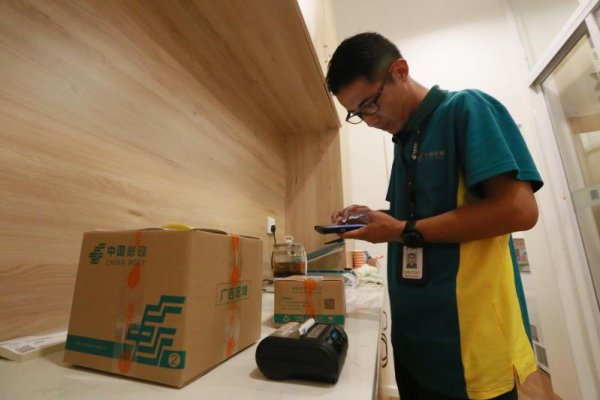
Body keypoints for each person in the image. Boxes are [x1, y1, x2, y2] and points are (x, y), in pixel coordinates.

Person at [325, 32, 543, 400]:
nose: (370, 120)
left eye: (370, 104)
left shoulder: (467, 109)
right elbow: (424, 216)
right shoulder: (404, 139)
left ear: (400, 71)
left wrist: (401, 229)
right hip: (415, 343)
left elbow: (519, 210)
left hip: (469, 345)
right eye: (357, 114)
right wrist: (377, 218)